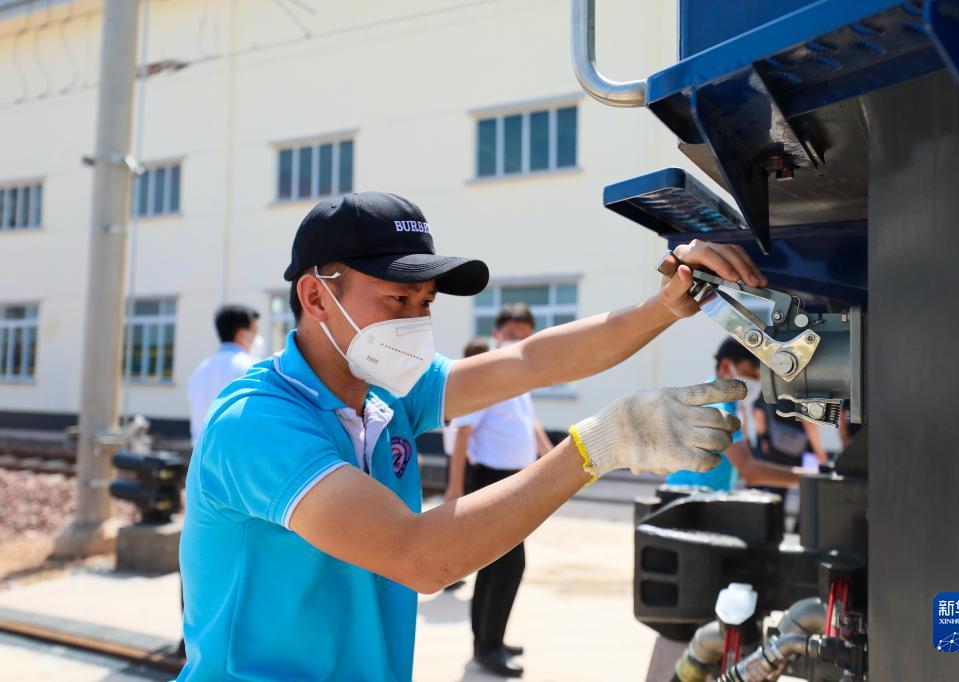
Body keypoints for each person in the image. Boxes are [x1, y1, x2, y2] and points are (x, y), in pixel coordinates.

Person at [178, 191, 763, 681]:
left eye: (425, 302)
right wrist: (598, 446)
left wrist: (664, 306)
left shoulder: (383, 392)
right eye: (396, 298)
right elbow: (419, 557)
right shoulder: (258, 423)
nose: (416, 319)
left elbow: (531, 361)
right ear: (315, 297)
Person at [444, 304, 554, 677]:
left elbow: (530, 422)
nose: (519, 341)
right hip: (490, 481)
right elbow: (462, 431)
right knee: (502, 567)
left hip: (515, 480)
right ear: (497, 333)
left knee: (503, 567)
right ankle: (486, 648)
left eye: (526, 335)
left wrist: (550, 458)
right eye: (512, 334)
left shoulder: (521, 372)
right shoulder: (489, 371)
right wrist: (455, 488)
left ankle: (492, 639)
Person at [667, 339, 803, 491]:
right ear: (726, 367)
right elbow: (748, 469)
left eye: (759, 378)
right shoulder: (719, 407)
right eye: (751, 374)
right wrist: (810, 478)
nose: (756, 383)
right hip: (688, 498)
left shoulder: (725, 400)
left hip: (699, 495)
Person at [439, 336, 490, 595]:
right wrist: (454, 485)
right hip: (462, 460)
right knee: (459, 523)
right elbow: (463, 435)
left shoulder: (458, 380)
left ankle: (452, 574)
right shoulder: (470, 385)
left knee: (460, 523)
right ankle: (449, 575)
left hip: (461, 458)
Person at [185, 305, 264, 443]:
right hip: (235, 454)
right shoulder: (252, 368)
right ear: (242, 334)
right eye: (255, 332)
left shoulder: (200, 369)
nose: (257, 338)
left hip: (199, 454)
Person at [752, 393, 828, 503]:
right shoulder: (802, 389)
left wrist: (764, 438)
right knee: (806, 490)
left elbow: (759, 414)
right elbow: (808, 423)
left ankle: (774, 519)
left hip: (774, 446)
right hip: (798, 449)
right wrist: (818, 450)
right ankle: (802, 520)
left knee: (775, 489)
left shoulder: (768, 387)